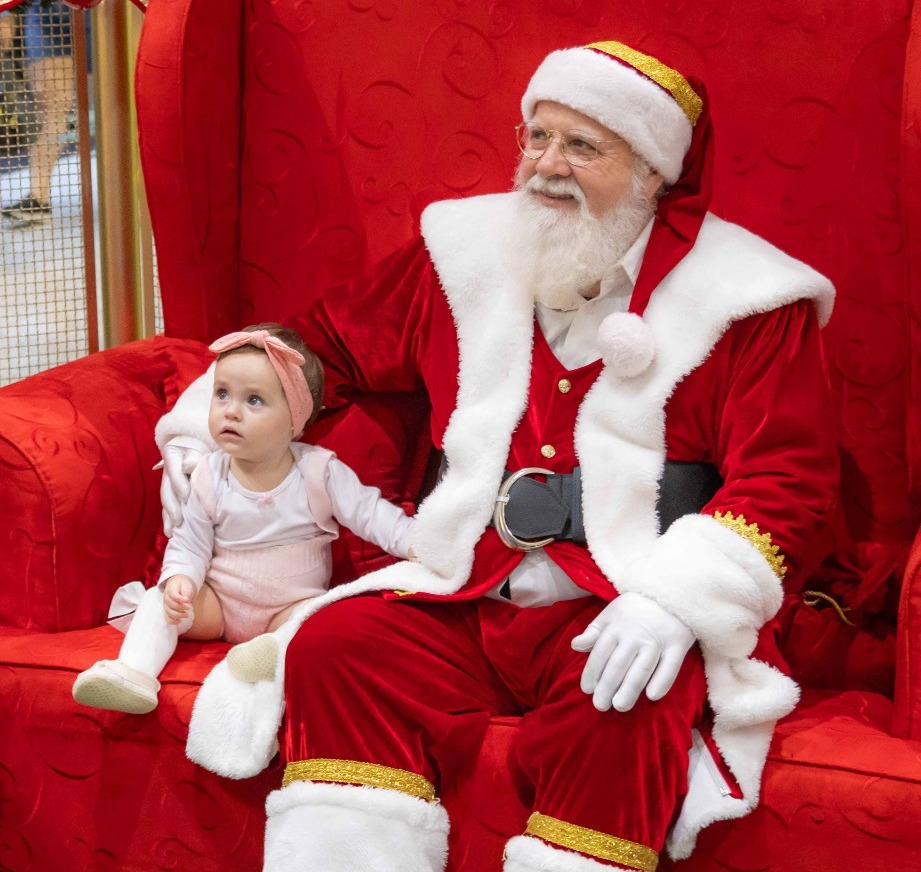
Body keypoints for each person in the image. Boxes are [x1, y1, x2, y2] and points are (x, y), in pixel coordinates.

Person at [156, 41, 839, 872]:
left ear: (654, 172)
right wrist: (206, 421)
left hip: (619, 600)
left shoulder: (746, 297)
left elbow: (789, 479)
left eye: (583, 146)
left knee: (628, 695)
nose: (546, 166)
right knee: (343, 649)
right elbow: (322, 348)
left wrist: (676, 601)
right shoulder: (464, 252)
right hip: (463, 587)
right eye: (534, 137)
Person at [73, 323, 417, 715]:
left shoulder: (318, 472)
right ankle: (132, 672)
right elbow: (189, 542)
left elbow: (372, 515)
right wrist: (181, 581)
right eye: (222, 394)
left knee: (316, 620)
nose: (231, 410)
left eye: (254, 400)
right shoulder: (209, 473)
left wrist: (414, 542)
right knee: (158, 600)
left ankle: (270, 652)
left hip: (289, 604)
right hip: (220, 604)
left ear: (295, 419)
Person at [0, 1, 76, 227]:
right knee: (52, 109)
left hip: (102, 12)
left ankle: (38, 199)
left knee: (54, 109)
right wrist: (5, 14)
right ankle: (38, 198)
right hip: (48, 11)